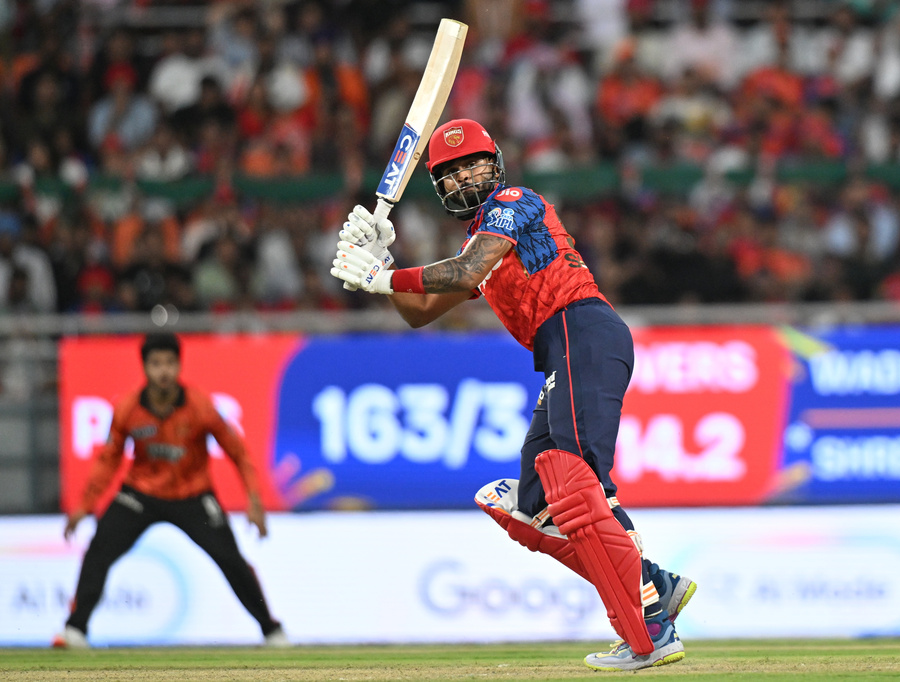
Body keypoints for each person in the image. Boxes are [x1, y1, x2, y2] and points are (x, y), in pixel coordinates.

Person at [330, 119, 696, 671]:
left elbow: (465, 269)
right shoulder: (480, 241)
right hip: (561, 350)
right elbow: (419, 313)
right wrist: (382, 263)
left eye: (472, 163)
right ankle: (652, 584)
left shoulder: (514, 201)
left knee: (576, 483)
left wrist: (384, 278)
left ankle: (647, 628)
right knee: (533, 509)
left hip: (583, 329)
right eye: (450, 174)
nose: (464, 177)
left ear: (495, 161)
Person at [53, 332, 287, 648]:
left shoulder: (200, 406)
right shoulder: (127, 409)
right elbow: (108, 460)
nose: (163, 371)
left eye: (169, 363)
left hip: (193, 494)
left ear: (179, 365)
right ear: (145, 368)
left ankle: (272, 631)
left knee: (230, 559)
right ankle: (74, 630)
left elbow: (238, 452)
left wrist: (254, 500)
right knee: (99, 550)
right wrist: (85, 505)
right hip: (141, 494)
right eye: (156, 364)